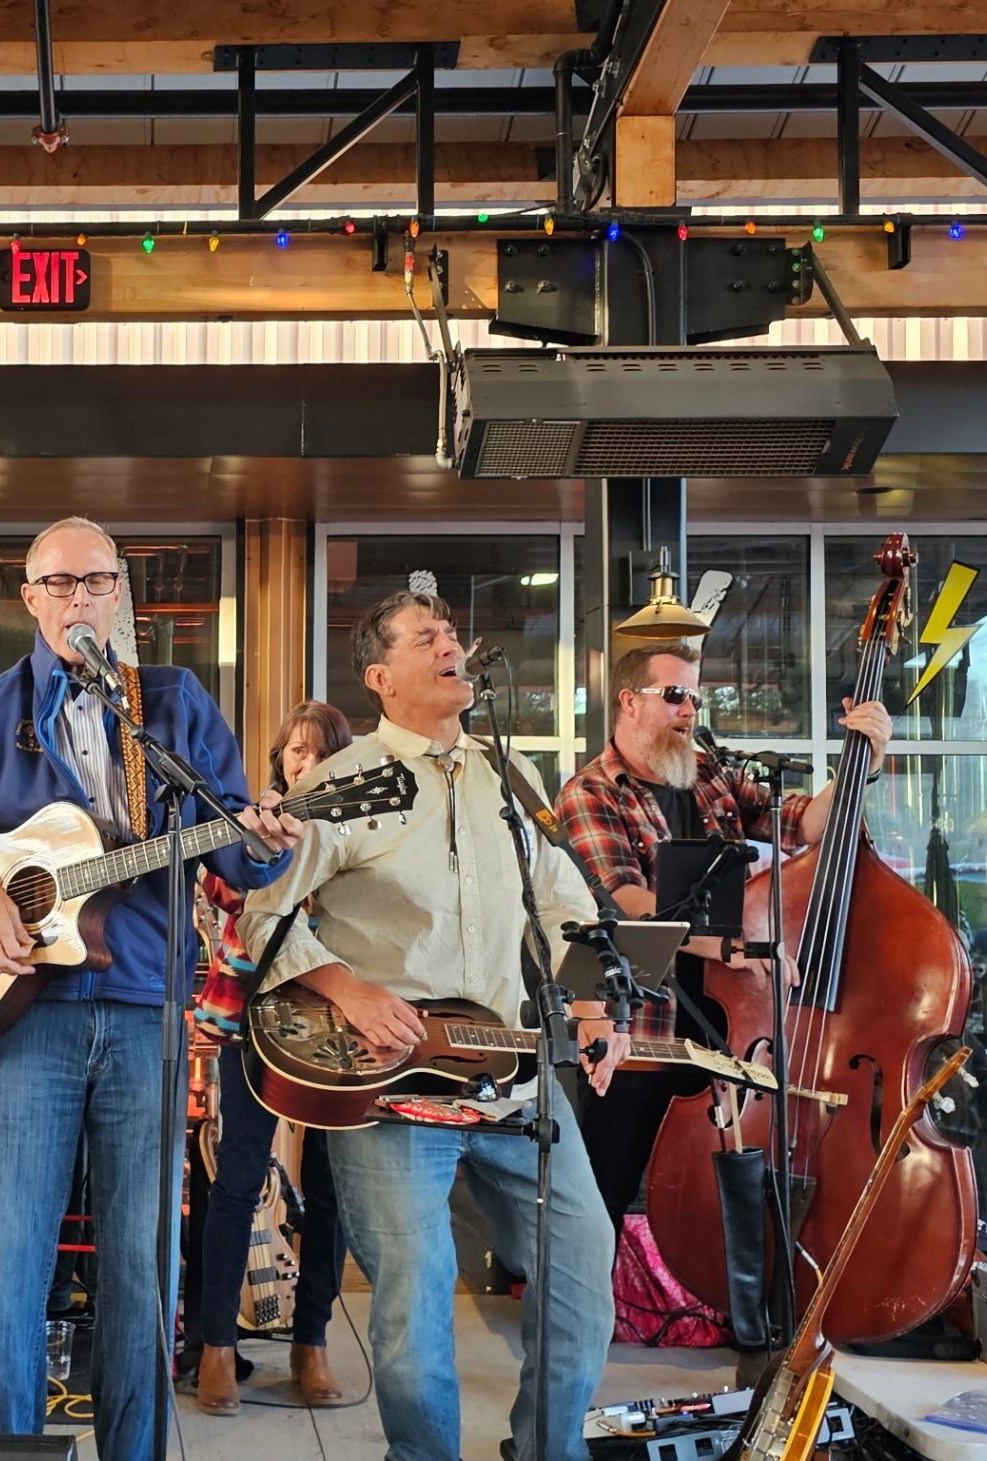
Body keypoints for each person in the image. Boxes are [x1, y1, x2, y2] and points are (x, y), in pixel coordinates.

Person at [0, 516, 302, 1461]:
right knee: (12, 1265)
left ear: (121, 592)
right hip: (26, 1016)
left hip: (143, 1010)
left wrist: (262, 844)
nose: (78, 597)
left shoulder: (169, 704)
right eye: (58, 583)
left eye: (95, 580)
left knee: (141, 1269)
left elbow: (235, 856)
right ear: (30, 600)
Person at [238, 589, 624, 1461]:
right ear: (380, 677)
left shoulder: (510, 776)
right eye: (427, 637)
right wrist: (345, 987)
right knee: (415, 1300)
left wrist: (593, 1002)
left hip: (513, 1081)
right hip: (393, 1091)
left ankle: (548, 1451)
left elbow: (563, 904)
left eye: (452, 632)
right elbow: (263, 917)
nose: (451, 644)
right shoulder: (340, 782)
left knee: (581, 1268)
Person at [551, 640, 891, 1235]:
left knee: (716, 1200)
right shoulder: (591, 792)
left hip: (729, 1028)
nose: (690, 710)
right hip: (640, 1029)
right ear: (629, 702)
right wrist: (727, 945)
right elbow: (625, 901)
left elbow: (805, 824)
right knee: (604, 1195)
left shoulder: (709, 775)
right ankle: (589, 1300)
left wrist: (862, 763)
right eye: (674, 695)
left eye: (695, 697)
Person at [193, 699, 352, 1415]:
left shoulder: (361, 824)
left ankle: (310, 1342)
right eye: (296, 750)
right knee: (237, 1179)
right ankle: (216, 1346)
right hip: (250, 1015)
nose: (306, 762)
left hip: (340, 1022)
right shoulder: (254, 821)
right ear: (280, 758)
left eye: (322, 751)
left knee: (331, 1187)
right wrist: (268, 845)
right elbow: (221, 888)